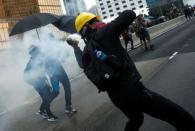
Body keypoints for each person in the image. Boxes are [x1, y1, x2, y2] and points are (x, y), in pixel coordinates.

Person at [67, 10, 195, 131]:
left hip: (116, 97)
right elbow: (130, 14)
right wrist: (106, 26)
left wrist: (75, 48)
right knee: (179, 116)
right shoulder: (104, 33)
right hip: (133, 90)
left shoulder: (86, 52)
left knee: (136, 119)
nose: (97, 22)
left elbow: (82, 66)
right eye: (94, 20)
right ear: (88, 26)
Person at [24, 45, 59, 121]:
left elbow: (44, 70)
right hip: (38, 85)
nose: (38, 53)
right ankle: (50, 116)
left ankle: (41, 110)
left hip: (44, 83)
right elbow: (25, 77)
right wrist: (34, 82)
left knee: (48, 97)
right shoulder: (30, 63)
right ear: (32, 53)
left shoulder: (39, 60)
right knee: (46, 98)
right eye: (36, 51)